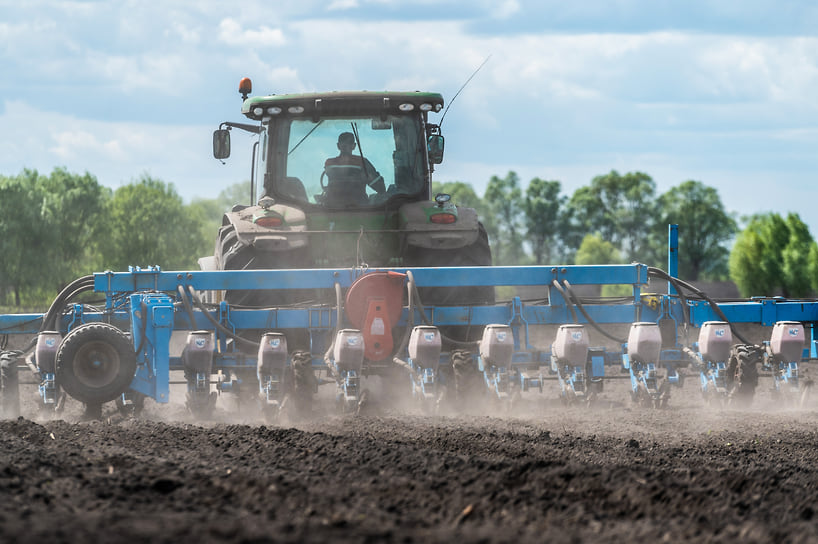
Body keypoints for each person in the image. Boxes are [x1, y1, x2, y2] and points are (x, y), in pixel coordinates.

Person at [323, 132, 386, 204]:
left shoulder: (329, 163)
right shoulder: (362, 162)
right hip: (360, 209)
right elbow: (381, 188)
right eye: (345, 143)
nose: (346, 146)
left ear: (338, 146)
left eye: (347, 143)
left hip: (331, 209)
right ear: (354, 146)